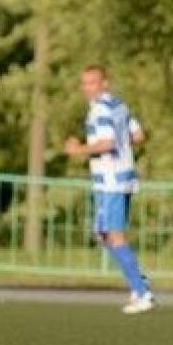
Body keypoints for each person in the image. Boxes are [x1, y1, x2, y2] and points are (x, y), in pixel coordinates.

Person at [64, 65, 155, 315]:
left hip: (111, 180)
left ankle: (143, 292)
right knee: (104, 234)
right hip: (124, 176)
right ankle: (138, 281)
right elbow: (138, 135)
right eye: (84, 83)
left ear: (105, 83)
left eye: (93, 82)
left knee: (113, 236)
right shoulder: (119, 105)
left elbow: (107, 142)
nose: (87, 88)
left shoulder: (100, 109)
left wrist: (79, 149)